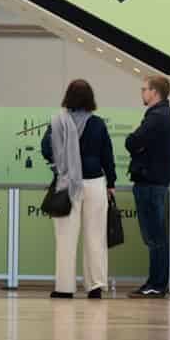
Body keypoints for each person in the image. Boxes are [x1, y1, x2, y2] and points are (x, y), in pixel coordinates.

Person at [42, 79, 115, 300]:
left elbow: (45, 148)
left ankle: (64, 288)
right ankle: (96, 286)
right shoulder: (98, 124)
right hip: (94, 182)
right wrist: (111, 183)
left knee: (65, 237)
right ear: (90, 99)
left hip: (67, 184)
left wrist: (61, 164)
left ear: (68, 98)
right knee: (95, 237)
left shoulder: (58, 122)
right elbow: (107, 156)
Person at [126, 75, 170, 298]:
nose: (142, 93)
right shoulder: (162, 115)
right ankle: (155, 282)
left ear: (154, 92)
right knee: (156, 237)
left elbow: (133, 142)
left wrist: (136, 145)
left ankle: (156, 283)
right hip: (154, 182)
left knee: (155, 237)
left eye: (144, 89)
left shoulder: (156, 117)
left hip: (150, 184)